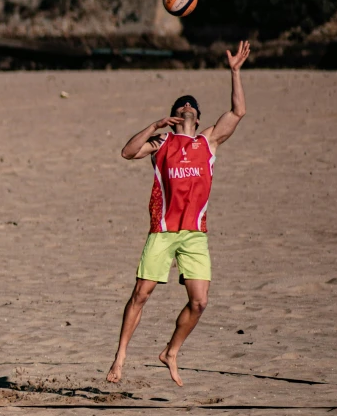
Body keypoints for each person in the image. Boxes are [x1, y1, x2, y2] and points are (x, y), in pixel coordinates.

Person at [107, 41, 250, 386]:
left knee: (199, 303)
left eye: (191, 105)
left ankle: (170, 351)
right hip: (163, 230)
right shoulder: (162, 145)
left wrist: (234, 72)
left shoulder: (208, 142)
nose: (186, 106)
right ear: (174, 116)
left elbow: (238, 113)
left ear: (198, 117)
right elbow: (127, 152)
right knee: (141, 294)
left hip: (195, 234)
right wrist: (156, 125)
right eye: (180, 105)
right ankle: (120, 357)